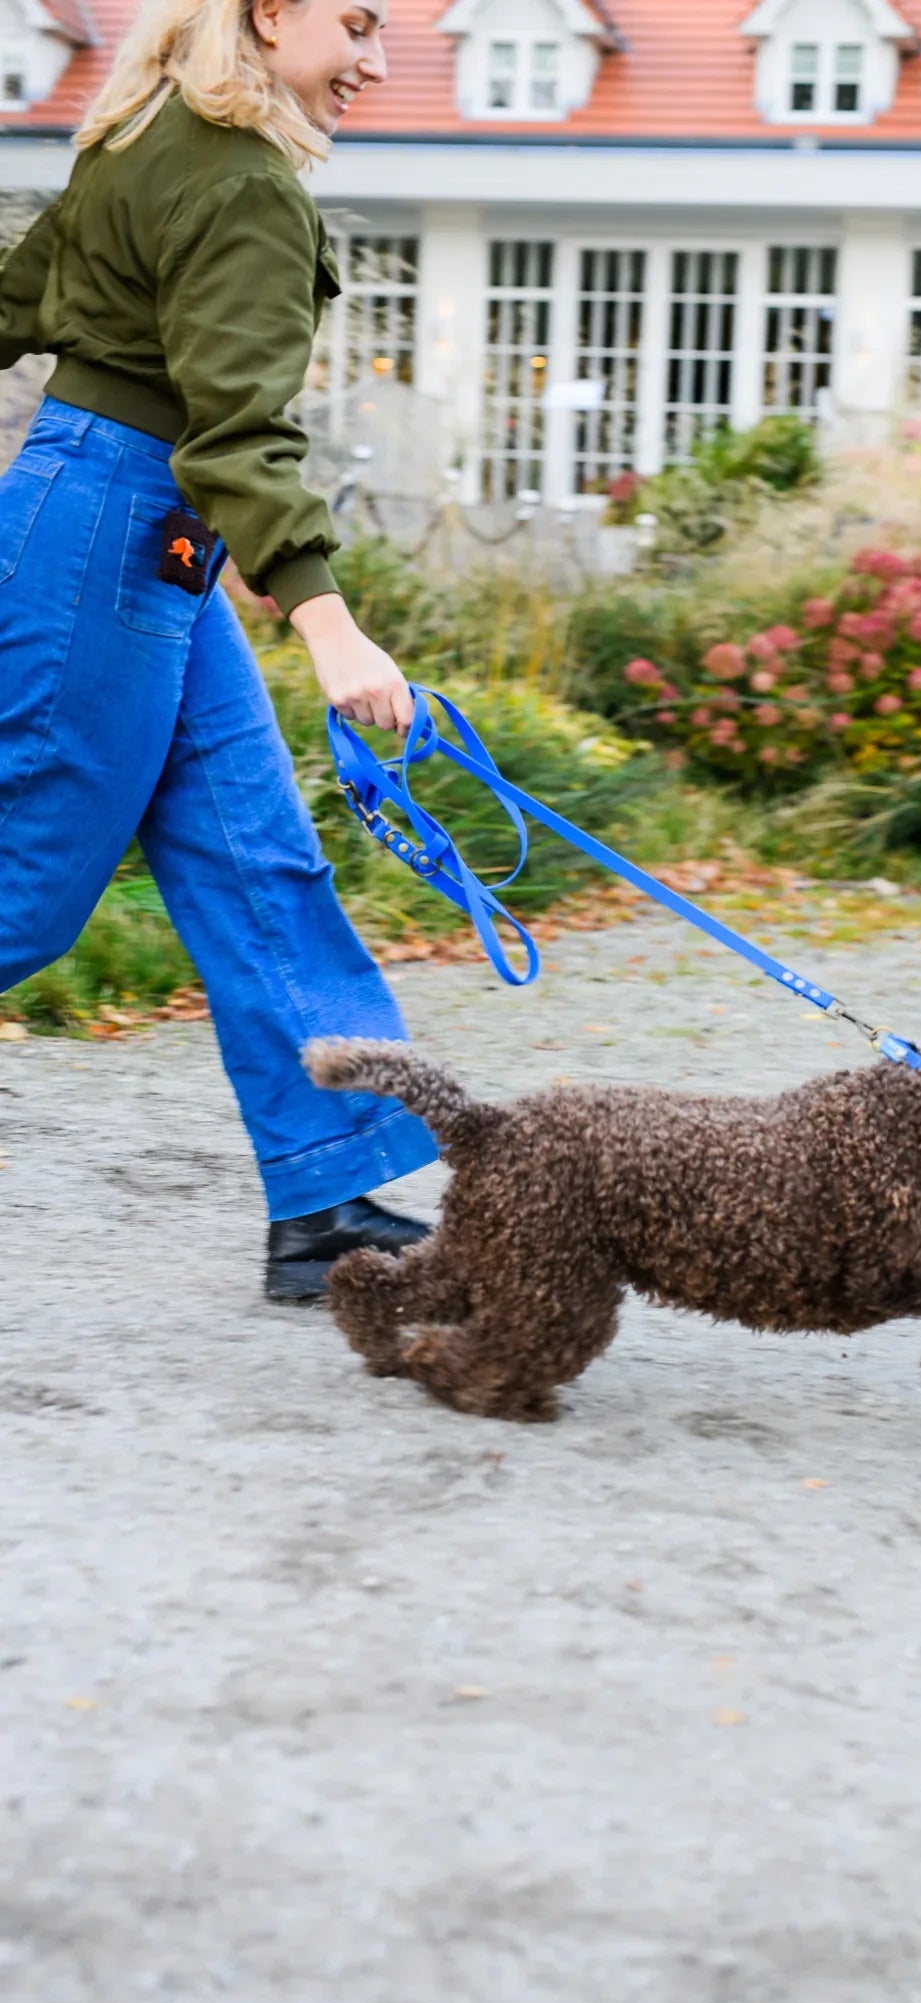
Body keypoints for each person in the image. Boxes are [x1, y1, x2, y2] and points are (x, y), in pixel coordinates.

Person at [0, 0, 445, 1301]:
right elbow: (236, 430)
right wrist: (328, 623)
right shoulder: (241, 179)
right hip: (112, 529)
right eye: (356, 25)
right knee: (30, 883)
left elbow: (18, 303)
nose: (375, 62)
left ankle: (326, 1195)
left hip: (140, 530)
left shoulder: (140, 133)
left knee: (256, 854)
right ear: (270, 12)